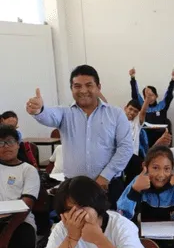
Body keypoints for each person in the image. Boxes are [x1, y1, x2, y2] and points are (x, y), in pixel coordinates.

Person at [26, 65, 133, 209]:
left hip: (109, 185)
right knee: (74, 228)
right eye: (77, 86)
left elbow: (126, 148)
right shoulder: (65, 113)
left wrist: (105, 176)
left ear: (98, 87)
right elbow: (48, 115)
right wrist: (39, 110)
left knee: (110, 228)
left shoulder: (116, 114)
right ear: (71, 89)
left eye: (89, 85)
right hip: (74, 188)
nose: (83, 90)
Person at [129, 67, 174, 146]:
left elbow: (168, 94)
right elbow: (135, 94)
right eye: (147, 96)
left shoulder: (162, 106)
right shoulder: (142, 106)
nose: (149, 98)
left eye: (151, 95)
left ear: (156, 96)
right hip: (146, 138)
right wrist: (132, 77)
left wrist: (173, 79)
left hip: (160, 136)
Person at [123, 99, 151, 185]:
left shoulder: (136, 122)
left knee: (139, 165)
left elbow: (143, 112)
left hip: (132, 155)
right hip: (119, 155)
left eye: (135, 111)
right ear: (125, 108)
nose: (132, 112)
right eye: (130, 109)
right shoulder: (117, 121)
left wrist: (147, 100)